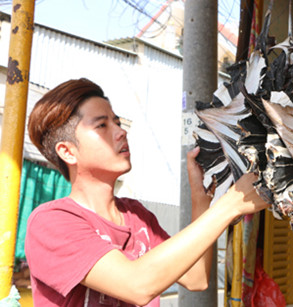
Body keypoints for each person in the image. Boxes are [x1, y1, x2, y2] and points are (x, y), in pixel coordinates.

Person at [24, 78, 269, 307]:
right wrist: (231, 205)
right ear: (67, 152)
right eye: (102, 125)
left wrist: (200, 201)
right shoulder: (51, 223)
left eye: (117, 122)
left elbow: (196, 279)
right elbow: (137, 285)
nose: (121, 132)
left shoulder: (136, 216)